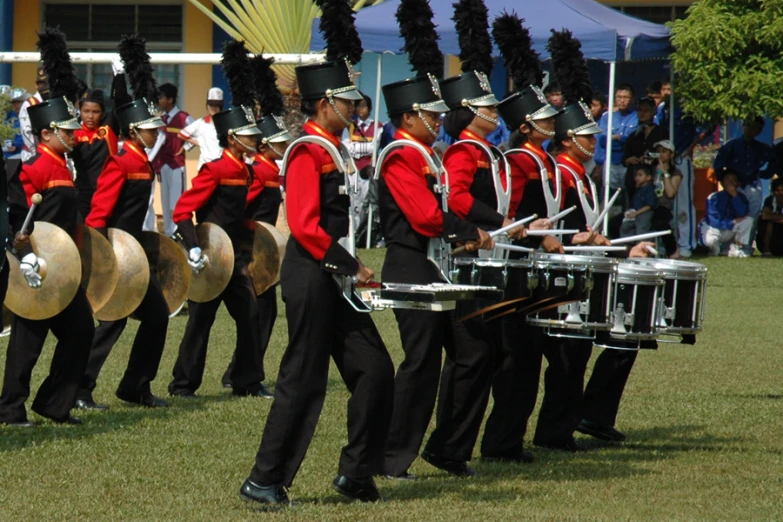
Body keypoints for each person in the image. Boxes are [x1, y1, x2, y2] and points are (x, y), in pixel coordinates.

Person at [240, 8, 394, 502]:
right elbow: (304, 226)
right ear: (324, 102)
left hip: (338, 276)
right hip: (312, 274)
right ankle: (264, 480)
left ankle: (356, 473)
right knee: (302, 380)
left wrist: (349, 269)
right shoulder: (308, 149)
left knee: (375, 371)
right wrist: (354, 265)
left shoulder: (339, 147)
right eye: (346, 101)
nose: (355, 108)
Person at [378, 32, 496, 480]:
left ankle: (448, 448)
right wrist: (472, 231)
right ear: (408, 117)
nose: (438, 119)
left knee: (474, 350)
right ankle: (391, 456)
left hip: (439, 263)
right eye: (429, 113)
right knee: (421, 361)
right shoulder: (400, 156)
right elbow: (426, 217)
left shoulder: (428, 154)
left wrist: (461, 238)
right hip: (410, 264)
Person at [75, 34, 170, 410]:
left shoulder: (141, 159)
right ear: (134, 130)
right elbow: (99, 211)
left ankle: (135, 386)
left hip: (133, 254)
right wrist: (100, 256)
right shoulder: (121, 161)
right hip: (114, 252)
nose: (155, 131)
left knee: (157, 316)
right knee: (111, 322)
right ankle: (80, 388)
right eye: (150, 128)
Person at [168, 41, 266, 399]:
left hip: (234, 258)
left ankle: (248, 382)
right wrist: (192, 248)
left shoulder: (247, 170)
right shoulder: (216, 169)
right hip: (209, 257)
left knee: (250, 317)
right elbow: (181, 211)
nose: (256, 139)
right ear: (234, 138)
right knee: (199, 324)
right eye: (250, 134)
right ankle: (183, 386)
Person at [0, 93, 94, 427]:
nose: (74, 136)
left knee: (81, 332)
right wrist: (26, 258)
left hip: (62, 269)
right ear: (46, 134)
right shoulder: (34, 168)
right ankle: (10, 410)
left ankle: (54, 404)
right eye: (67, 131)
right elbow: (20, 222)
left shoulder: (64, 167)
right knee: (27, 341)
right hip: (35, 267)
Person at [219, 53, 292, 398]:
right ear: (264, 144)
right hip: (250, 251)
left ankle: (240, 372)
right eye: (279, 143)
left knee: (262, 314)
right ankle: (243, 375)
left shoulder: (270, 170)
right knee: (260, 314)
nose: (284, 148)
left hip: (262, 250)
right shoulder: (260, 172)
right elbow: (242, 211)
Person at [71, 58, 130, 222]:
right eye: (86, 111)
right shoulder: (73, 132)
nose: (90, 116)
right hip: (82, 191)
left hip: (107, 190)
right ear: (80, 111)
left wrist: (119, 76)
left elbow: (120, 103)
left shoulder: (108, 128)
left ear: (102, 112)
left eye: (95, 111)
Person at [712, 116, 778, 254]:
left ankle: (746, 246)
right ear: (744, 127)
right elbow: (718, 163)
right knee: (732, 214)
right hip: (735, 185)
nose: (752, 131)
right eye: (749, 127)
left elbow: (774, 161)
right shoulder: (732, 145)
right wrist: (723, 181)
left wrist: (764, 174)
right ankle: (727, 246)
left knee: (752, 216)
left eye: (756, 129)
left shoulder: (762, 148)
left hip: (753, 183)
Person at [146, 83, 193, 237]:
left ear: (171, 100)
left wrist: (185, 148)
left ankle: (177, 232)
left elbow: (197, 136)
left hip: (176, 165)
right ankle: (168, 233)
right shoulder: (159, 118)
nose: (159, 100)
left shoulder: (184, 118)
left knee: (176, 201)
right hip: (162, 165)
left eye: (161, 98)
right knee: (165, 202)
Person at [342, 92, 382, 246]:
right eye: (358, 106)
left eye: (364, 106)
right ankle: (353, 233)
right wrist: (365, 148)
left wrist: (357, 148)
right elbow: (347, 147)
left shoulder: (378, 125)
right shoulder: (350, 126)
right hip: (353, 171)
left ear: (370, 108)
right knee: (354, 202)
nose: (360, 109)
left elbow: (375, 147)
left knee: (368, 202)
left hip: (367, 171)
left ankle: (366, 235)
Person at [593, 83, 639, 198]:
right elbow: (603, 140)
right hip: (610, 162)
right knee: (608, 195)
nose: (622, 101)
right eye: (619, 97)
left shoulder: (636, 116)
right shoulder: (607, 117)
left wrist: (617, 138)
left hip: (627, 162)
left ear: (632, 99)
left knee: (627, 195)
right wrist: (621, 139)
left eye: (626, 98)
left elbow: (631, 141)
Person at [621, 96, 668, 202]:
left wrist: (652, 156)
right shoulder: (634, 135)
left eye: (646, 110)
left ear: (653, 112)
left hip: (654, 176)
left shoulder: (661, 132)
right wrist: (630, 159)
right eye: (640, 110)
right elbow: (624, 159)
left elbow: (666, 154)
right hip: (635, 178)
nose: (642, 113)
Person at [699, 169, 752, 257]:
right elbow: (714, 221)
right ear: (722, 182)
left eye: (733, 180)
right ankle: (715, 250)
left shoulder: (742, 197)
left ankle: (735, 248)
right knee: (710, 242)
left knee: (748, 220)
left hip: (730, 230)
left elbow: (742, 214)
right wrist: (732, 222)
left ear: (738, 183)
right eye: (727, 179)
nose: (730, 182)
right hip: (714, 229)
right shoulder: (713, 197)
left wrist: (734, 195)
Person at [178, 87, 225, 171]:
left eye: (217, 105)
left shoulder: (227, 123)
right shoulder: (200, 123)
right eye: (211, 105)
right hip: (204, 167)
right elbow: (181, 134)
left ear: (221, 107)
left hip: (222, 167)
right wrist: (198, 142)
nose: (214, 108)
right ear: (207, 105)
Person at [650, 140, 683, 257]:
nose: (660, 154)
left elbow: (670, 193)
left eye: (664, 151)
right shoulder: (651, 169)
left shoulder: (675, 172)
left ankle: (673, 251)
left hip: (663, 206)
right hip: (648, 204)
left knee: (661, 223)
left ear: (671, 154)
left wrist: (665, 173)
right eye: (658, 151)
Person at [18, 63, 50, 161]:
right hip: (33, 155)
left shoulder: (53, 102)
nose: (46, 87)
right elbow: (26, 131)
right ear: (36, 85)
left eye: (48, 83)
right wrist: (36, 154)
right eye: (43, 83)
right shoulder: (29, 104)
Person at [620, 164, 658, 238]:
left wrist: (636, 213)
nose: (637, 178)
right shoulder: (638, 189)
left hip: (644, 213)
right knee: (625, 227)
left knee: (641, 230)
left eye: (640, 175)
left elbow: (649, 206)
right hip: (635, 212)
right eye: (636, 175)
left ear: (648, 177)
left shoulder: (649, 188)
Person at [758, 178, 783, 256]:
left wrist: (773, 217)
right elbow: (765, 216)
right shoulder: (770, 200)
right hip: (773, 237)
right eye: (777, 190)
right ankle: (766, 250)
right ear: (773, 192)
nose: (780, 193)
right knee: (766, 222)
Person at [3, 89, 27, 159]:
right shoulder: (10, 116)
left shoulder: (28, 116)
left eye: (19, 102)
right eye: (13, 102)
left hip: (21, 155)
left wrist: (16, 146)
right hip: (6, 155)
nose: (16, 105)